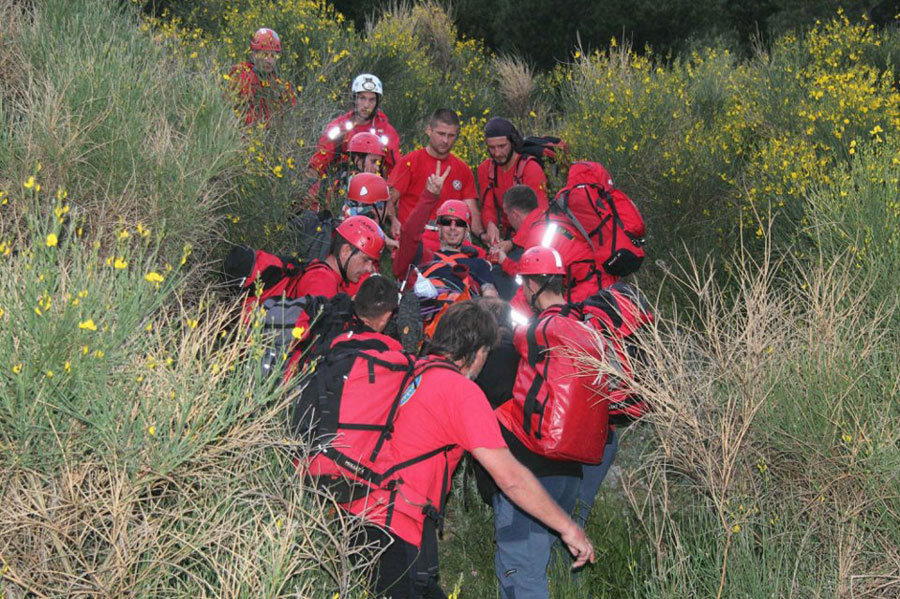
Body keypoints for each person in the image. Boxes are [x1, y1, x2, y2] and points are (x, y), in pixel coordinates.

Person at [340, 301, 595, 598]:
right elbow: (511, 478)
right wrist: (568, 528)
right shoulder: (459, 390)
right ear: (478, 352)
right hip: (394, 526)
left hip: (359, 513)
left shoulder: (412, 371)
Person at [490, 246, 613, 599]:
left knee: (522, 571)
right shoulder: (584, 329)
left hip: (531, 471)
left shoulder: (535, 332)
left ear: (531, 285)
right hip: (570, 472)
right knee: (554, 567)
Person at [229, 215, 384, 306]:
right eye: (366, 260)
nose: (369, 268)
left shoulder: (324, 273)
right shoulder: (322, 282)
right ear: (345, 251)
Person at [387, 109, 482, 245]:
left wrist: (483, 234)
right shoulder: (410, 162)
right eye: (441, 134)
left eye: (451, 136)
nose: (445, 140)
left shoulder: (463, 169)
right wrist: (393, 221)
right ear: (429, 130)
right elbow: (389, 199)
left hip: (451, 239)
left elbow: (471, 211)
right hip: (417, 237)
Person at [495, 184, 599, 306]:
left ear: (514, 214)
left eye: (507, 215)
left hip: (587, 290)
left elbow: (530, 281)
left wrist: (506, 319)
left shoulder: (537, 235)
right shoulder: (549, 220)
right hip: (594, 281)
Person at [308, 73, 401, 178]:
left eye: (372, 100)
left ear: (377, 102)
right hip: (340, 184)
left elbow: (395, 170)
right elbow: (319, 161)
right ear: (355, 99)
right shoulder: (340, 127)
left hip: (374, 187)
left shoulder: (386, 132)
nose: (366, 105)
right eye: (362, 98)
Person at [477, 118, 549, 245]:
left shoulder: (530, 168)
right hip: (506, 237)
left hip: (533, 238)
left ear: (513, 142)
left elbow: (541, 214)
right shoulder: (486, 169)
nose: (497, 153)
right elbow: (488, 207)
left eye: (502, 146)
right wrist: (490, 225)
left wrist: (513, 243)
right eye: (492, 148)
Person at [227, 28, 296, 126]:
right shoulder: (241, 75)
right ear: (253, 55)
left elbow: (291, 112)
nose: (269, 60)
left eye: (273, 56)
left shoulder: (280, 85)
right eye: (265, 54)